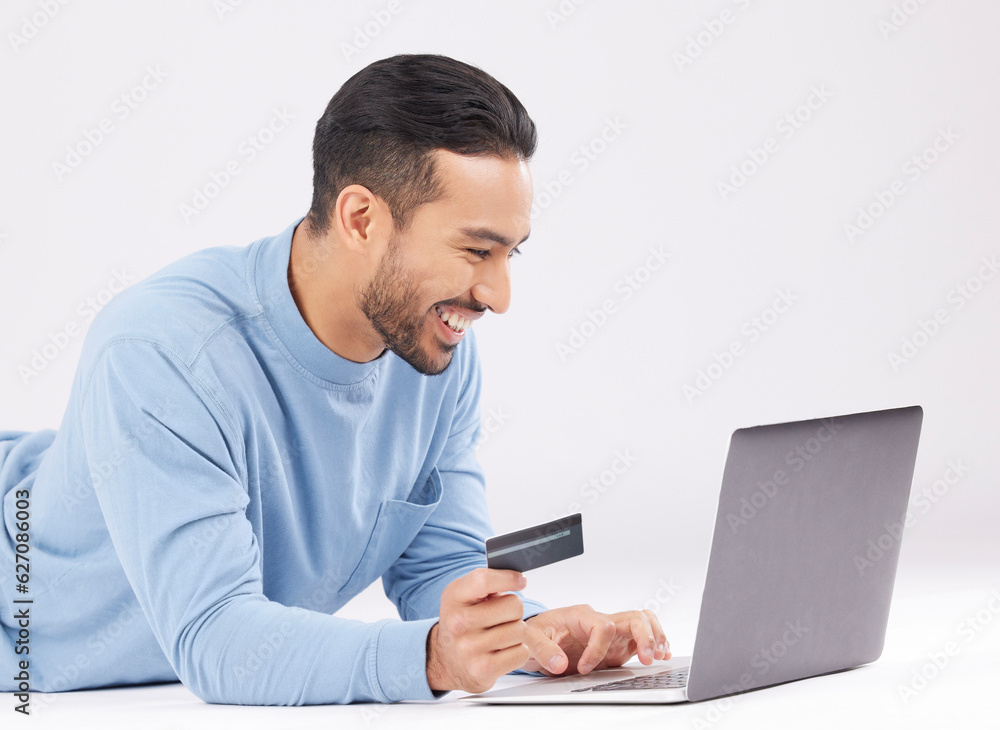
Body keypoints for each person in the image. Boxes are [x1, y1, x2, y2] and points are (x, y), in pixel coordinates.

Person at [0, 53, 669, 705]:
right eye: (475, 250)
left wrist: (534, 638)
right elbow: (216, 640)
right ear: (361, 219)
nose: (498, 294)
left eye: (509, 253)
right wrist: (431, 658)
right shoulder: (163, 351)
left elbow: (440, 576)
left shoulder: (433, 348)